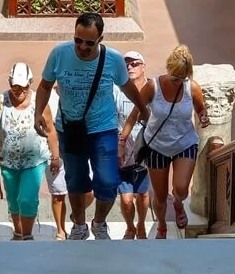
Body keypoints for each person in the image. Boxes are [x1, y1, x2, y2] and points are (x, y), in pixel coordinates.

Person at [34, 12, 150, 240]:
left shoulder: (113, 59)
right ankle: (79, 225)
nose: (82, 47)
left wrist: (142, 109)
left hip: (103, 128)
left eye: (89, 42)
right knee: (76, 181)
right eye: (78, 40)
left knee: (107, 181)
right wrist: (38, 111)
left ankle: (99, 222)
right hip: (70, 128)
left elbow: (127, 87)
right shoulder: (59, 54)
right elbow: (45, 85)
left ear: (100, 39)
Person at [123, 45, 208, 238]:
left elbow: (201, 109)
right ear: (168, 70)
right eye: (174, 78)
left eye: (182, 78)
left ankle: (178, 204)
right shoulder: (153, 86)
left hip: (185, 143)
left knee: (181, 188)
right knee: (160, 197)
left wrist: (203, 117)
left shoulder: (192, 87)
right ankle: (161, 225)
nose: (178, 82)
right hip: (157, 146)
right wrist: (122, 142)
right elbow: (134, 115)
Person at [0, 62, 61, 240]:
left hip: (34, 161)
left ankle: (28, 235)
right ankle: (18, 231)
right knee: (14, 200)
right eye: (14, 86)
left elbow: (51, 129)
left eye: (23, 87)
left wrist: (55, 156)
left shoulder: (39, 102)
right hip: (8, 161)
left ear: (30, 83)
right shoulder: (1, 102)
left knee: (27, 199)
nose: (18, 91)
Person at [115, 51, 152, 239]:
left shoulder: (152, 89)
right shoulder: (117, 90)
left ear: (143, 66)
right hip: (124, 153)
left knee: (144, 195)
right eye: (126, 64)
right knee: (127, 198)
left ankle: (141, 224)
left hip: (146, 152)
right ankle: (130, 226)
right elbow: (112, 119)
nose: (130, 67)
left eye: (135, 63)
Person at [44, 86, 70, 240]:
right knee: (58, 194)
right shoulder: (49, 96)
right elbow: (47, 127)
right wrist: (54, 156)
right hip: (56, 151)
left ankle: (76, 217)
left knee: (89, 192)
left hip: (80, 147)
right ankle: (61, 230)